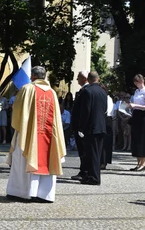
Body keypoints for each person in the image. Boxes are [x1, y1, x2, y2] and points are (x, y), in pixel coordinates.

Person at [6, 66, 66, 203]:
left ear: (32, 76)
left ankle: (23, 192)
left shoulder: (27, 89)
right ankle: (44, 195)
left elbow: (18, 110)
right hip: (49, 135)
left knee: (21, 159)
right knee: (47, 157)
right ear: (44, 77)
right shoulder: (51, 93)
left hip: (29, 134)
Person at [77, 71, 107, 185]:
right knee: (96, 153)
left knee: (91, 153)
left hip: (91, 127)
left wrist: (81, 127)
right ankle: (92, 175)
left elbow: (86, 111)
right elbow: (104, 109)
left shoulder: (87, 91)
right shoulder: (103, 91)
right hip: (101, 125)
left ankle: (94, 177)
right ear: (98, 79)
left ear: (88, 79)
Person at [129, 73, 145, 172]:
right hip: (136, 115)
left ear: (141, 81)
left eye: (137, 82)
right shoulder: (136, 91)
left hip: (143, 116)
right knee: (136, 139)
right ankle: (138, 163)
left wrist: (136, 106)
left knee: (142, 140)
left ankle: (143, 163)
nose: (135, 84)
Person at [70, 71, 89, 181]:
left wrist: (80, 127)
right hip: (78, 125)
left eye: (78, 78)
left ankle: (84, 171)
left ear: (84, 78)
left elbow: (83, 111)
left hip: (81, 126)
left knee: (83, 150)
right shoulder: (83, 91)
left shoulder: (86, 91)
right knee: (81, 150)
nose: (77, 80)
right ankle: (83, 170)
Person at [100, 85, 114, 170]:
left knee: (106, 142)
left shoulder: (108, 98)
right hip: (102, 118)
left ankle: (104, 162)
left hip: (107, 119)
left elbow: (107, 110)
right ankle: (101, 161)